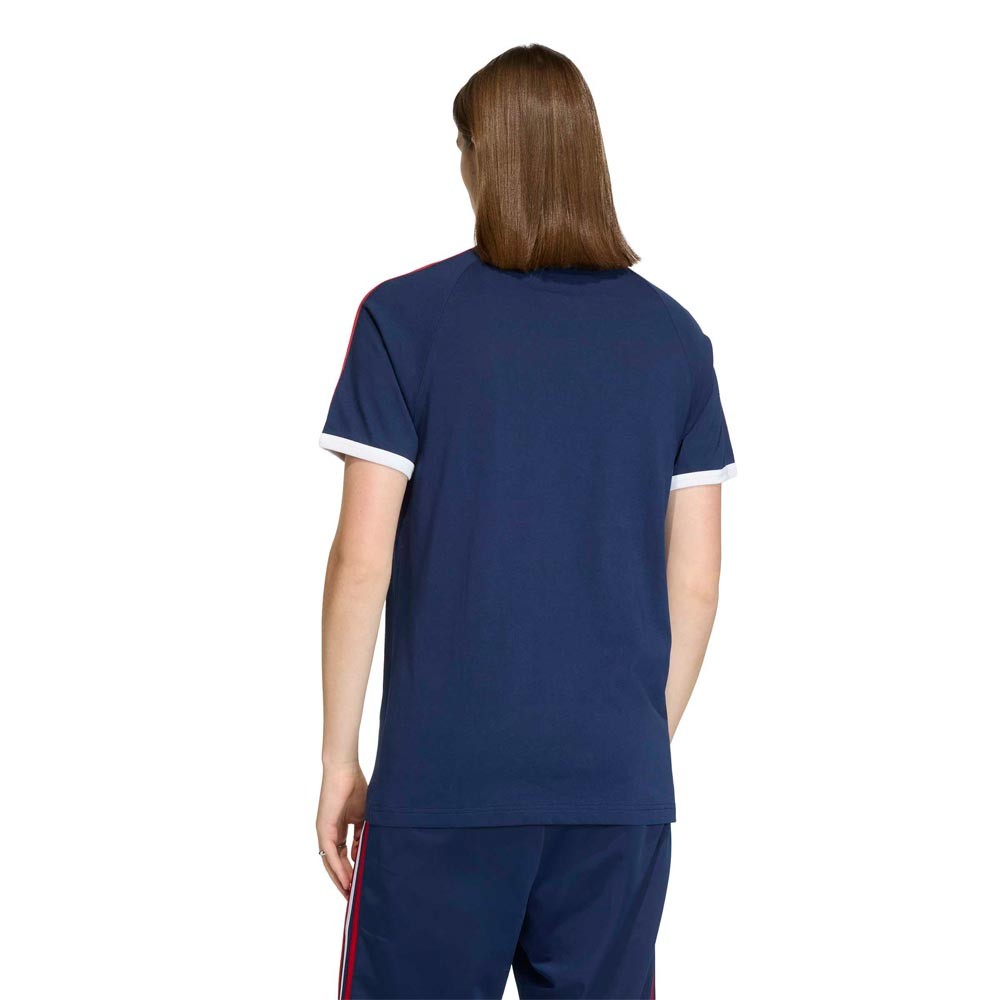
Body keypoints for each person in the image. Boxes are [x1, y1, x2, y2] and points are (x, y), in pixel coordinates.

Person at [316, 43, 736, 1000]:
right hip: (615, 788)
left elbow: (361, 561)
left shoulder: (403, 319)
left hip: (444, 783)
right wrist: (632, 743)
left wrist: (341, 758)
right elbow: (698, 581)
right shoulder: (676, 340)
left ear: (483, 157)